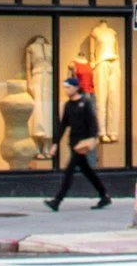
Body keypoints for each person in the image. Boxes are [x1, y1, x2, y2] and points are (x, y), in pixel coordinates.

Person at [44, 74, 112, 212]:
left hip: (83, 144)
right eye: (65, 88)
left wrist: (93, 138)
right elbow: (63, 125)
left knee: (69, 172)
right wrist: (55, 143)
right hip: (74, 143)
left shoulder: (85, 103)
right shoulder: (69, 105)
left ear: (76, 88)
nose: (66, 90)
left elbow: (93, 122)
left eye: (68, 87)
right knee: (87, 171)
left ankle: (57, 200)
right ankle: (104, 195)